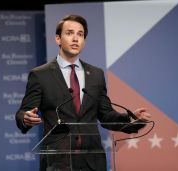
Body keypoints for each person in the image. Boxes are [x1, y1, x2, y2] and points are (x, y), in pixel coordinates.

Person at [16, 14, 151, 171]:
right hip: (58, 163)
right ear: (58, 39)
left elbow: (106, 115)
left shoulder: (96, 74)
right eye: (69, 33)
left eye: (80, 34)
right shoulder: (40, 75)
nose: (75, 38)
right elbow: (23, 112)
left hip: (92, 163)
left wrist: (131, 118)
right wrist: (25, 118)